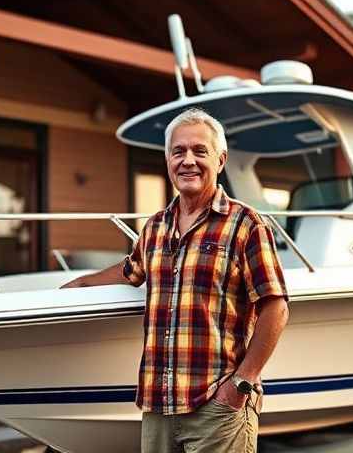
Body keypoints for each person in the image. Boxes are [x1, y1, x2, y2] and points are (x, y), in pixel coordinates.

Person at [60, 107, 289, 453]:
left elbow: (276, 307)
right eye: (178, 151)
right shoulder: (155, 227)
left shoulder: (246, 224)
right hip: (158, 405)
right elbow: (130, 270)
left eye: (200, 151)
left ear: (221, 159)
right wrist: (81, 285)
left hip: (217, 405)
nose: (188, 161)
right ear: (168, 160)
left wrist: (240, 384)